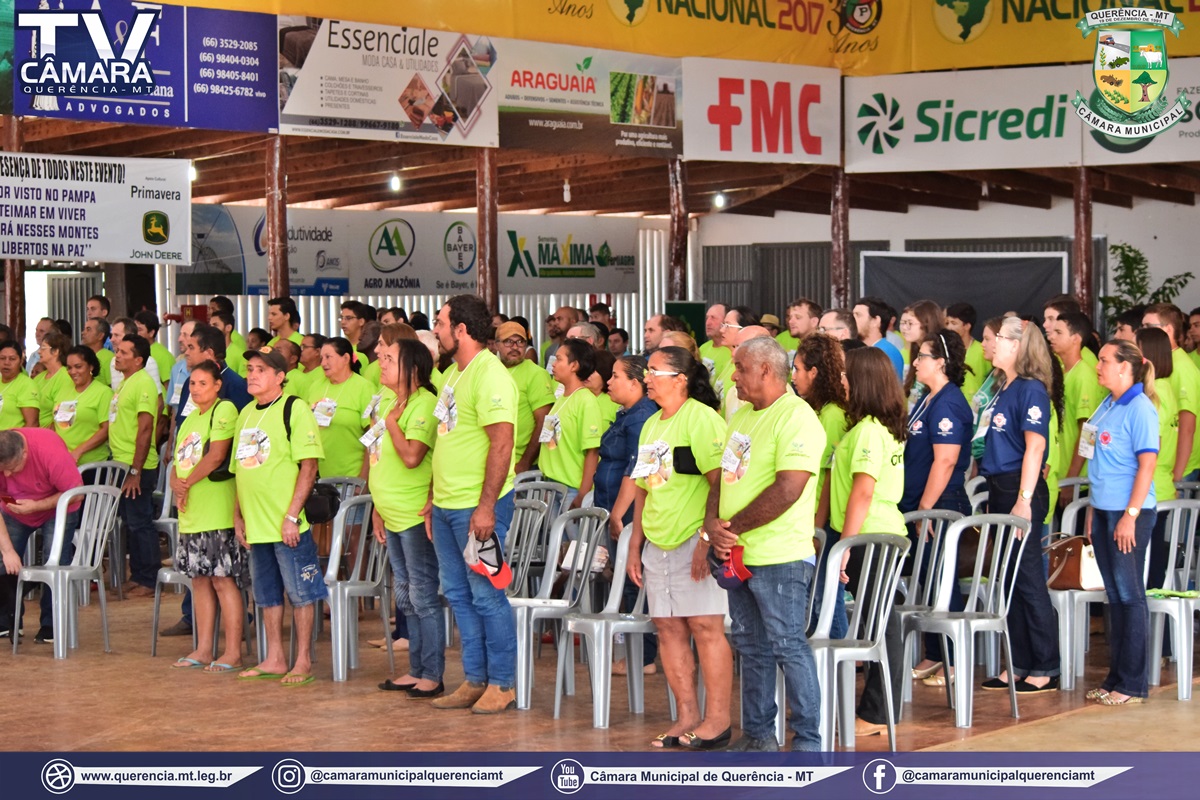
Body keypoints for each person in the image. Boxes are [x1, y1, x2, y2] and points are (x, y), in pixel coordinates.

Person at [707, 337, 824, 752]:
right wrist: (712, 527)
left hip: (781, 555)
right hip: (738, 554)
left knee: (787, 644)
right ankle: (758, 735)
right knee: (751, 647)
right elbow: (721, 480)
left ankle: (808, 740)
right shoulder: (740, 419)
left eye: (739, 368)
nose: (732, 375)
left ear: (766, 371)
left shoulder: (797, 418)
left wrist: (732, 526)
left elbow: (789, 488)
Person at [629, 346, 731, 750]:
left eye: (655, 371)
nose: (647, 378)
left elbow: (720, 481)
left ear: (681, 379)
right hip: (658, 538)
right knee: (668, 627)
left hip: (693, 536)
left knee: (705, 627)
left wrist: (707, 539)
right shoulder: (651, 423)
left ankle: (718, 719)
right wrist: (636, 540)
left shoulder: (702, 419)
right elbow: (642, 487)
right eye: (646, 370)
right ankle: (686, 714)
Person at [430, 295, 519, 714]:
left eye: (441, 322)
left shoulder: (491, 374)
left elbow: (502, 443)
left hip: (478, 506)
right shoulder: (451, 374)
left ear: (461, 329)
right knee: (459, 595)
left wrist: (485, 508)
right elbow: (446, 438)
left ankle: (502, 683)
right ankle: (475, 678)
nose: (437, 329)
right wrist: (433, 497)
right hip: (448, 504)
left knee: (486, 596)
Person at [232, 348, 325, 686]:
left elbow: (309, 465)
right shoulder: (244, 414)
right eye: (249, 369)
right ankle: (274, 657)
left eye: (260, 369)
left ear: (280, 376)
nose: (252, 375)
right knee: (267, 595)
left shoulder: (294, 409)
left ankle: (302, 659)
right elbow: (240, 471)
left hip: (287, 524)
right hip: (255, 525)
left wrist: (291, 515)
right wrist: (238, 516)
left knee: (301, 593)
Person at [828, 346, 908, 736]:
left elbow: (862, 492)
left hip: (869, 535)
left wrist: (843, 549)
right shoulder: (882, 428)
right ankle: (882, 708)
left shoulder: (866, 433)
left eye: (845, 375)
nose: (841, 381)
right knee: (883, 621)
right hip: (883, 532)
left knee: (883, 625)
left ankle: (878, 712)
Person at [979, 316, 1061, 693]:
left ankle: (1045, 665)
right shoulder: (1004, 386)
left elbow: (1035, 446)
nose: (992, 344)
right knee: (1007, 578)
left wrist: (1024, 500)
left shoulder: (1031, 389)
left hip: (1019, 486)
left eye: (998, 338)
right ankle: (1019, 662)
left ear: (1017, 345)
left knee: (1027, 577)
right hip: (999, 485)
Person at [369, 332, 444, 699]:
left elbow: (412, 456)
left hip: (415, 514)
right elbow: (379, 457)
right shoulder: (391, 402)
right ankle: (414, 669)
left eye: (389, 358)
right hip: (392, 512)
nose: (380, 361)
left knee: (423, 594)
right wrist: (377, 509)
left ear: (412, 367)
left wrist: (395, 425)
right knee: (405, 594)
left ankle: (432, 672)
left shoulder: (425, 403)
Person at [1084, 340, 1158, 705]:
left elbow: (1147, 466)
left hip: (1131, 511)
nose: (1098, 366)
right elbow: (1097, 462)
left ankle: (1132, 684)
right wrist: (1093, 511)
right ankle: (1115, 678)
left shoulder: (1139, 407)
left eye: (1103, 360)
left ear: (1125, 367)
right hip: (1104, 509)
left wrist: (1129, 515)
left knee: (1130, 596)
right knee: (1113, 597)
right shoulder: (1108, 403)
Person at [901, 332, 974, 687]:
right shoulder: (927, 398)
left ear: (941, 362)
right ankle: (935, 654)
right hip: (922, 503)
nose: (916, 363)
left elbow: (945, 461)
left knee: (943, 580)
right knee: (928, 580)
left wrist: (926, 507)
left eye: (923, 357)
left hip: (941, 504)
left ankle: (954, 658)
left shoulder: (948, 402)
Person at [168, 360, 245, 673]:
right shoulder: (189, 419)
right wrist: (176, 481)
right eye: (193, 383)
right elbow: (177, 458)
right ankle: (202, 648)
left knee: (222, 580)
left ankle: (232, 651)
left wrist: (186, 484)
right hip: (192, 514)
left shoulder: (224, 410)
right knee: (199, 581)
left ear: (217, 385)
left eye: (203, 383)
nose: (196, 388)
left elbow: (216, 455)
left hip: (216, 510)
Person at [596, 354, 659, 675]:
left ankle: (644, 658)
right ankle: (638, 654)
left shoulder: (640, 418)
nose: (609, 381)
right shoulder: (628, 414)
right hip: (615, 508)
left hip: (631, 511)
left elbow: (637, 471)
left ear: (635, 383)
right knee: (626, 580)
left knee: (635, 580)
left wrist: (620, 513)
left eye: (616, 376)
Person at [0, 429, 84, 642]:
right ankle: (7, 621)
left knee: (54, 563)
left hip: (58, 507)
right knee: (3, 560)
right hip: (16, 508)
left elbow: (76, 492)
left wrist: (37, 505)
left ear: (24, 455)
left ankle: (52, 623)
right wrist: (8, 551)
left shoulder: (49, 451)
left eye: (11, 469)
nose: (8, 475)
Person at [792, 334, 849, 640]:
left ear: (814, 372)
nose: (793, 377)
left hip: (821, 521)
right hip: (808, 517)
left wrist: (818, 526)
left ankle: (839, 658)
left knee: (826, 597)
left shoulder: (832, 415)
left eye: (798, 369)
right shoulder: (815, 411)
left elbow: (828, 476)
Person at [110, 336, 162, 597]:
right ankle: (139, 574)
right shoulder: (125, 383)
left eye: (123, 352)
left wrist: (134, 470)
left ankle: (150, 580)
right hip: (123, 464)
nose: (117, 355)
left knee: (141, 522)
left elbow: (145, 428)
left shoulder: (143, 383)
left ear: (138, 360)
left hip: (137, 465)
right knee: (131, 522)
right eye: (117, 350)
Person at [1134, 328, 1178, 615]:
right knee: (1155, 569)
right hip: (1162, 487)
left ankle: (1156, 647)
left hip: (1152, 491)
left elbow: (1151, 450)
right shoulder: (1164, 390)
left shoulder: (1153, 395)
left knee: (1150, 574)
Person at [540, 338, 601, 509]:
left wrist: (583, 493)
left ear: (574, 366)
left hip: (571, 488)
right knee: (554, 535)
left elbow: (592, 451)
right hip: (551, 485)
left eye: (559, 359)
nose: (553, 364)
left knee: (572, 537)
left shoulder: (586, 401)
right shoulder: (561, 399)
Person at [1048, 312, 1102, 505]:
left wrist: (1072, 480)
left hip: (1076, 479)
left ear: (1075, 339)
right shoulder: (1061, 371)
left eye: (1058, 332)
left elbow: (1088, 432)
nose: (1051, 337)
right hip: (1058, 474)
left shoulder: (1084, 376)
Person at [1143, 304, 1199, 482]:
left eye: (1148, 327)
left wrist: (1177, 476)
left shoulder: (1181, 367)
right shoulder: (1164, 361)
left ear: (1168, 329)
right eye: (1141, 327)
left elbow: (1187, 426)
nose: (1142, 332)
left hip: (1179, 469)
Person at [304, 337, 374, 479]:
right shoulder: (315, 386)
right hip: (318, 478)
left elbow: (372, 437)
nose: (323, 363)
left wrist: (364, 479)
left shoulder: (364, 388)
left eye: (328, 357)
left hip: (352, 478)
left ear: (346, 358)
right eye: (321, 358)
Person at [494, 322, 554, 474]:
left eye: (520, 342)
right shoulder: (490, 371)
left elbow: (545, 421)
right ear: (497, 345)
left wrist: (525, 462)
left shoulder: (536, 374)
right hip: (494, 459)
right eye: (508, 341)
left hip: (521, 465)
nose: (515, 347)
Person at [52, 346, 113, 465]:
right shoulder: (63, 390)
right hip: (63, 462)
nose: (73, 372)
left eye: (78, 367)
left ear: (91, 366)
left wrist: (78, 451)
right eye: (69, 368)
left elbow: (106, 429)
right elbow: (56, 424)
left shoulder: (103, 392)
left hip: (92, 465)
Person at [899, 300, 944, 408]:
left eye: (910, 323)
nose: (905, 328)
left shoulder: (939, 352)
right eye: (902, 323)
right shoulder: (914, 349)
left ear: (927, 323)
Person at [944, 303, 990, 403]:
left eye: (954, 323)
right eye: (947, 323)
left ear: (967, 326)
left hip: (975, 410)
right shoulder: (943, 350)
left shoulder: (983, 350)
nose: (949, 327)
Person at [853, 297, 905, 378]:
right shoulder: (870, 350)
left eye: (858, 315)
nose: (852, 320)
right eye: (852, 315)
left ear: (875, 321)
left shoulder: (885, 352)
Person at [32, 332, 72, 428]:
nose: (39, 352)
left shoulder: (65, 377)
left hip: (49, 435)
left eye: (43, 348)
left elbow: (63, 413)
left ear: (55, 351)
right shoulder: (38, 378)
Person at [0, 342, 39, 430]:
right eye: (2, 358)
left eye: (12, 359)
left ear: (21, 361)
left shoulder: (26, 385)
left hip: (12, 441)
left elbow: (32, 423)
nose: (6, 362)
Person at [698, 304, 730, 382]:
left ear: (725, 322)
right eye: (707, 318)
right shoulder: (703, 348)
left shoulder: (732, 350)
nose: (708, 323)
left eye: (713, 318)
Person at [81, 318, 115, 386]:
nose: (83, 333)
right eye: (84, 329)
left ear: (100, 336)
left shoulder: (109, 358)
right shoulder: (81, 356)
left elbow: (112, 386)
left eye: (88, 329)